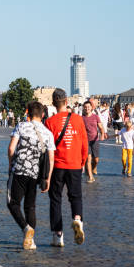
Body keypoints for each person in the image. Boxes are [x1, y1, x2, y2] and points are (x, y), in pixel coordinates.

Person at [7, 101, 55, 250]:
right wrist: (48, 178)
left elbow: (11, 148)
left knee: (12, 203)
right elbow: (51, 158)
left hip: (19, 170)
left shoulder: (21, 126)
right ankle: (30, 241)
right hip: (35, 173)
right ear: (42, 115)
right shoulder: (48, 133)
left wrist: (11, 164)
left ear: (28, 113)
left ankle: (25, 228)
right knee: (30, 206)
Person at [45, 88, 87, 247]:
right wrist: (82, 163)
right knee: (76, 196)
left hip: (57, 166)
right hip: (75, 164)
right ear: (66, 101)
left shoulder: (50, 122)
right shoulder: (78, 119)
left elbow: (48, 148)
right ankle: (77, 220)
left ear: (54, 103)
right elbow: (84, 144)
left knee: (55, 199)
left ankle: (58, 236)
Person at [82, 101, 106, 183]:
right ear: (83, 108)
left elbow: (101, 127)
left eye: (88, 107)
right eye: (85, 107)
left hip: (95, 140)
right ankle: (91, 177)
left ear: (91, 107)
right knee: (88, 159)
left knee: (96, 160)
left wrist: (102, 134)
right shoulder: (82, 118)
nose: (87, 108)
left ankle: (94, 167)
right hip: (86, 141)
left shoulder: (95, 117)